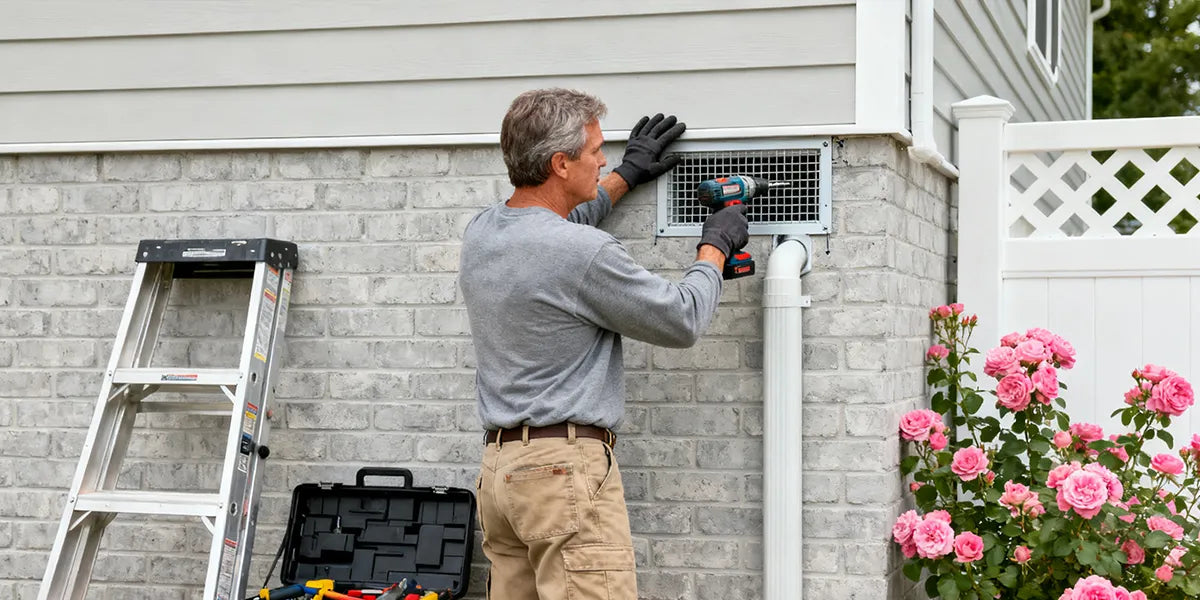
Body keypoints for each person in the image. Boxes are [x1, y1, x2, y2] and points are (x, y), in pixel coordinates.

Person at [458, 88, 749, 600]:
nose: (604, 159)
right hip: (561, 475)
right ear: (560, 164)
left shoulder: (483, 232)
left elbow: (557, 224)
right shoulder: (582, 253)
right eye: (595, 151)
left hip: (502, 478)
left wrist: (627, 175)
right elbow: (681, 318)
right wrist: (715, 247)